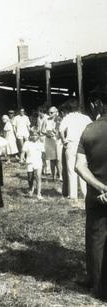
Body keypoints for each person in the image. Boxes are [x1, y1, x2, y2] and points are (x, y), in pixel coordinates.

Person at [75, 84, 107, 300]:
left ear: (99, 104)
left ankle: (96, 284)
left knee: (96, 238)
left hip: (98, 195)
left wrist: (101, 187)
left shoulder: (90, 129)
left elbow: (79, 166)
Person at [59, 99, 91, 200]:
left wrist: (64, 140)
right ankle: (85, 193)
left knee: (71, 170)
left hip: (71, 144)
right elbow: (91, 128)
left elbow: (60, 130)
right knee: (83, 168)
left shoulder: (67, 117)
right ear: (79, 107)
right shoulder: (85, 117)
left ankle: (73, 195)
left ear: (69, 108)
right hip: (83, 144)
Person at [20, 128, 45, 199]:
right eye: (33, 135)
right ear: (30, 136)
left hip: (38, 162)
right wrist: (21, 159)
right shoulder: (27, 143)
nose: (34, 136)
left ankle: (38, 194)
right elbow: (23, 152)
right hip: (29, 162)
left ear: (38, 136)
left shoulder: (40, 144)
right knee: (30, 178)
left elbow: (43, 154)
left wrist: (44, 162)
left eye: (36, 135)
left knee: (38, 177)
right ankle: (31, 188)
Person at [41, 106, 62, 181]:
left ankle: (61, 175)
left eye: (51, 112)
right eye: (49, 112)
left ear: (56, 112)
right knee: (52, 159)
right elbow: (42, 130)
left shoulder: (60, 120)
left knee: (59, 159)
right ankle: (54, 176)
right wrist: (47, 134)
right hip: (49, 141)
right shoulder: (45, 120)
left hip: (58, 141)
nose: (49, 114)